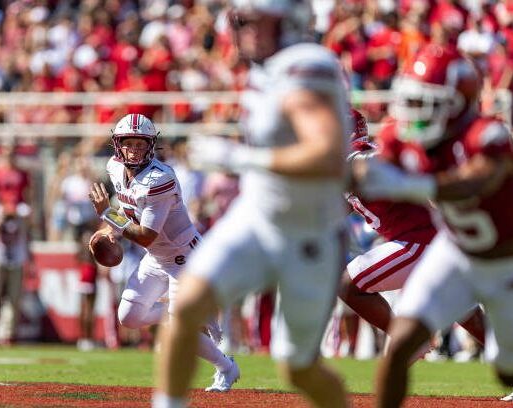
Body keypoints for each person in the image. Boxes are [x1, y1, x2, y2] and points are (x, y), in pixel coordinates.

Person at [153, 0, 351, 406]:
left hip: (309, 230)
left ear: (289, 22)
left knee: (298, 368)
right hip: (257, 215)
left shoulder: (306, 65)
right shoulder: (266, 68)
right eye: (245, 22)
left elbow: (326, 150)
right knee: (187, 306)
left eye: (258, 23)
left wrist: (241, 159)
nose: (247, 32)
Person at [354, 43, 513, 407]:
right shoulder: (403, 136)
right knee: (401, 344)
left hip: (504, 262)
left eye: (426, 101)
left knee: (507, 369)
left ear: (457, 102)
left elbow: (477, 180)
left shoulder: (487, 135)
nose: (414, 112)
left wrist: (418, 185)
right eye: (412, 100)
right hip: (454, 249)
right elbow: (364, 168)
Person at [88, 113, 235, 390]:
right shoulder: (114, 168)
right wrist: (110, 230)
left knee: (180, 331)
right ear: (117, 145)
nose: (134, 149)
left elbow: (145, 235)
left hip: (184, 257)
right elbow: (129, 212)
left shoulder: (160, 179)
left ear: (151, 146)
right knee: (129, 317)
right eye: (128, 143)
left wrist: (108, 215)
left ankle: (226, 367)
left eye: (140, 143)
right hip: (157, 256)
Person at [341, 109, 485, 348]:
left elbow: (376, 160)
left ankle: (407, 341)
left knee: (348, 286)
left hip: (417, 243)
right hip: (433, 242)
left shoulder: (357, 158)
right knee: (472, 319)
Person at [0, 201, 33, 346]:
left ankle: (8, 335)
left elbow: (30, 231)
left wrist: (31, 261)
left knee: (13, 298)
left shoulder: (23, 213)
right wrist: (0, 220)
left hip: (16, 260)